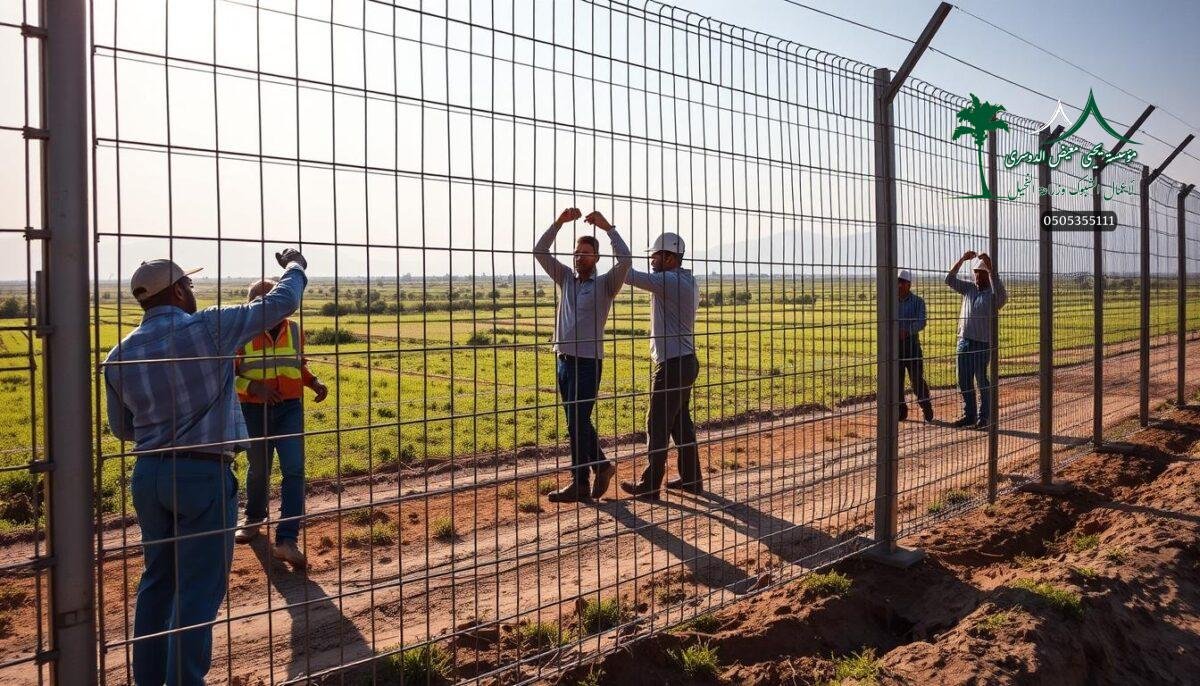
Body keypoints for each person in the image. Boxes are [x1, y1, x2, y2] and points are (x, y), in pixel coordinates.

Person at [104, 250, 308, 686]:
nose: (193, 292)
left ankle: (149, 680)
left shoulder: (118, 354)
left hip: (148, 476)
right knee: (197, 593)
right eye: (190, 286)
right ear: (177, 291)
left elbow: (122, 428)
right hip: (202, 474)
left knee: (157, 582)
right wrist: (295, 266)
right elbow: (279, 303)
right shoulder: (209, 328)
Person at [533, 207, 631, 502]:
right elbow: (539, 251)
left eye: (586, 253)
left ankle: (591, 473)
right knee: (574, 421)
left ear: (596, 258)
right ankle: (586, 478)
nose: (580, 257)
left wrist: (609, 228)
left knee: (579, 419)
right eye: (577, 252)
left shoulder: (605, 285)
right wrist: (558, 223)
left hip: (589, 362)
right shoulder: (565, 278)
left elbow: (625, 260)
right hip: (563, 359)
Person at [233, 279, 328, 568]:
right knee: (259, 467)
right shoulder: (241, 332)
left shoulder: (295, 330)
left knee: (294, 470)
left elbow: (295, 364)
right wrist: (253, 388)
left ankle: (287, 539)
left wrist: (312, 381)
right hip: (254, 410)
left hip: (289, 408)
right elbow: (227, 377)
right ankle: (254, 517)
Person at [618, 232, 701, 501]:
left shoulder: (668, 280)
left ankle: (650, 484)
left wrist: (612, 235)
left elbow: (627, 274)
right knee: (680, 423)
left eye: (654, 255)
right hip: (687, 361)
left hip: (673, 365)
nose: (652, 260)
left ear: (668, 257)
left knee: (657, 423)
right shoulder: (688, 280)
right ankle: (691, 479)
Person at [945, 250, 1007, 429]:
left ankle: (984, 417)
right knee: (963, 380)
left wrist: (991, 268)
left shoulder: (994, 296)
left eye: (982, 273)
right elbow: (949, 280)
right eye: (976, 273)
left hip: (982, 342)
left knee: (981, 380)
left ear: (989, 275)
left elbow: (1003, 298)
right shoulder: (969, 289)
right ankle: (969, 415)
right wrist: (962, 259)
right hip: (964, 340)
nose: (978, 276)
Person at [897, 269, 933, 423]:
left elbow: (922, 321)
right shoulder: (891, 301)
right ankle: (900, 410)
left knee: (916, 380)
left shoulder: (918, 302)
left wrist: (908, 331)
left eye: (902, 282)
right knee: (896, 381)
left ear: (909, 284)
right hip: (895, 347)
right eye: (897, 282)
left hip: (911, 345)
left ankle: (925, 405)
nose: (899, 285)